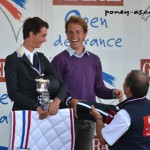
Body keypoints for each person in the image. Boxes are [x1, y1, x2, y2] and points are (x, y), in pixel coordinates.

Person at [51, 15, 123, 150]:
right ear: (66, 34)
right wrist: (70, 100)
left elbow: (99, 88)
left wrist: (113, 93)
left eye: (78, 31)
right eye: (70, 32)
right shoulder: (58, 60)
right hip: (67, 119)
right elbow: (54, 90)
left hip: (90, 118)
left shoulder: (94, 60)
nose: (74, 35)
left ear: (85, 34)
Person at [5, 17, 67, 120]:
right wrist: (36, 106)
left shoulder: (41, 57)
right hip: (23, 115)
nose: (45, 40)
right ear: (32, 34)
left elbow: (63, 84)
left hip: (43, 114)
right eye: (43, 36)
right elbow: (13, 93)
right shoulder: (12, 59)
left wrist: (57, 101)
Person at [90, 70, 150, 150]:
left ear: (128, 89)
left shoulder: (125, 114)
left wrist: (98, 118)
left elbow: (103, 139)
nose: (123, 83)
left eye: (125, 81)